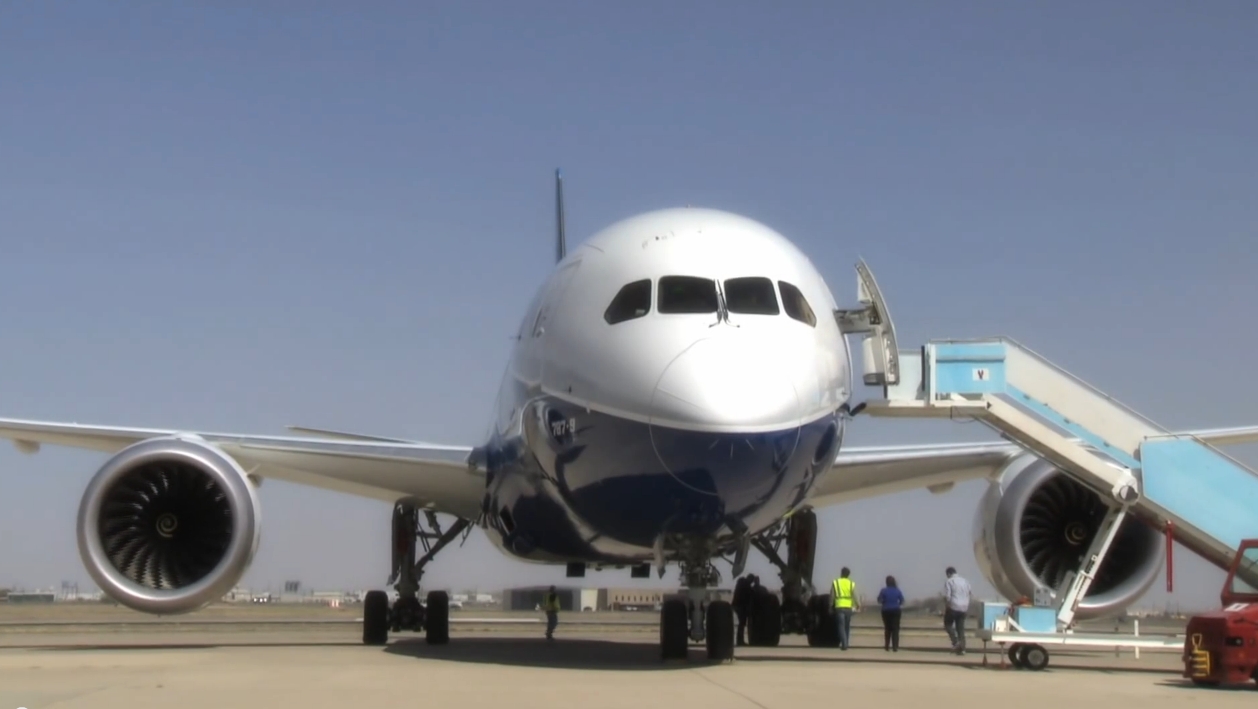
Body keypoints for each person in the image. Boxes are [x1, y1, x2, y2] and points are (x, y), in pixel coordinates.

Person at [942, 567, 972, 655]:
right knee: (961, 629)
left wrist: (946, 606)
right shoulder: (965, 581)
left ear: (948, 574)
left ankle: (955, 642)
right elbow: (969, 592)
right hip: (964, 607)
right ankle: (962, 649)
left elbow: (948, 596)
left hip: (953, 606)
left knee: (947, 624)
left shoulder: (949, 581)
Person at [831, 567, 858, 650]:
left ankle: (844, 643)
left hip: (839, 607)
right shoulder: (851, 583)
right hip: (848, 607)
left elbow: (832, 595)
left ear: (841, 573)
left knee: (841, 626)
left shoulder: (836, 582)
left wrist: (830, 605)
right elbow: (854, 595)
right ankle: (846, 643)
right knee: (847, 626)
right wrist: (858, 605)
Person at [876, 575, 904, 652]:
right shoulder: (897, 590)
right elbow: (902, 600)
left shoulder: (883, 590)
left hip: (886, 610)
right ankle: (895, 646)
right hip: (896, 610)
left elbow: (879, 600)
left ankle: (887, 646)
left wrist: (884, 601)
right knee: (895, 628)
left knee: (887, 628)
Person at [732, 575, 752, 646]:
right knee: (742, 624)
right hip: (741, 606)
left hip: (737, 605)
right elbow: (749, 595)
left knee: (741, 623)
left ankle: (739, 640)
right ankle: (740, 641)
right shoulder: (746, 585)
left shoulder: (741, 583)